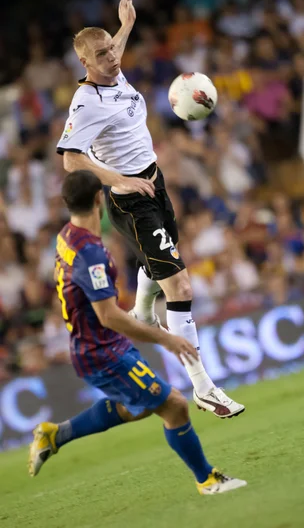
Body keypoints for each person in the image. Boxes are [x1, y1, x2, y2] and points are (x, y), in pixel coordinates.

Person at [56, 0, 244, 418]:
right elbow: (71, 158)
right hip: (131, 201)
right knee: (180, 287)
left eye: (112, 49)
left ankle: (141, 312)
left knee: (156, 269)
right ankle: (204, 387)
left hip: (155, 186)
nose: (112, 58)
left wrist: (125, 24)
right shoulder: (86, 103)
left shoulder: (112, 66)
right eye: (101, 55)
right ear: (85, 63)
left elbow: (113, 50)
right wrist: (120, 179)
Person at [28, 170, 247, 495]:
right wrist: (166, 338)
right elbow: (109, 316)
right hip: (101, 352)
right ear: (100, 198)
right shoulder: (90, 253)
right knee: (174, 405)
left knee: (139, 405)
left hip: (100, 345)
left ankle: (55, 435)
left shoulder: (65, 235)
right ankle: (207, 479)